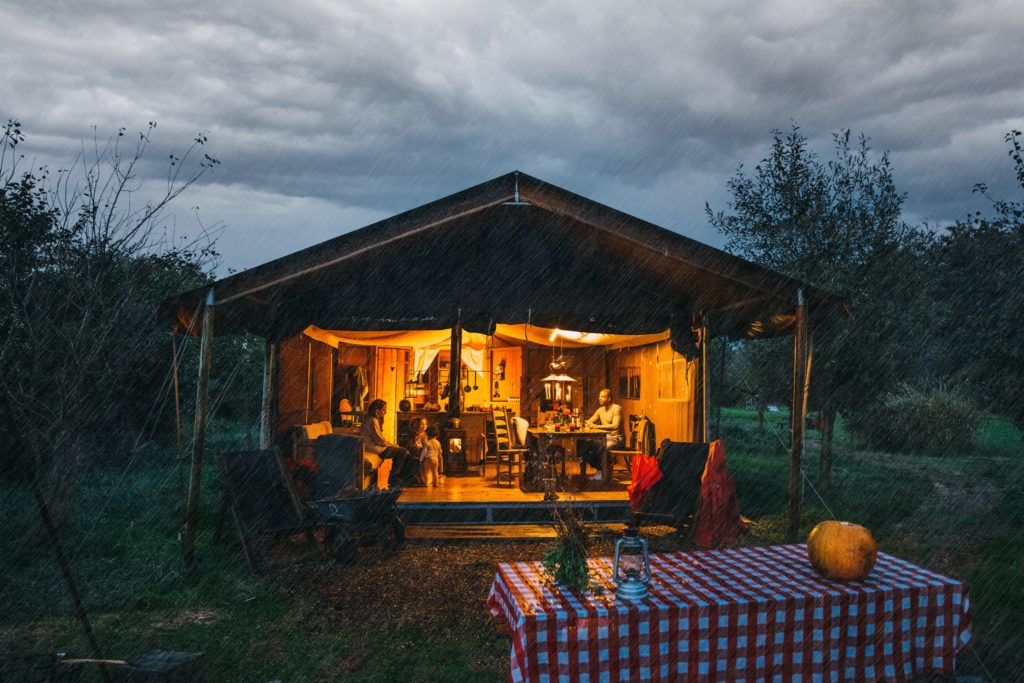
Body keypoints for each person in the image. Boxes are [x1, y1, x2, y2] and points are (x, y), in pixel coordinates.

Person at [361, 399, 420, 487]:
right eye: (384, 409)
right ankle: (394, 477)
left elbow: (379, 440)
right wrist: (393, 445)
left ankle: (403, 478)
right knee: (402, 452)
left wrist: (393, 445)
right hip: (373, 448)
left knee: (405, 453)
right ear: (377, 411)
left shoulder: (373, 420)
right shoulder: (372, 421)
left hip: (376, 447)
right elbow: (379, 441)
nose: (386, 412)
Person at [579, 388, 625, 483]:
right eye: (599, 396)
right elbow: (590, 421)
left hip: (617, 438)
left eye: (603, 397)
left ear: (609, 398)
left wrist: (596, 426)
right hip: (605, 438)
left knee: (603, 449)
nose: (600, 398)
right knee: (585, 446)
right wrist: (587, 423)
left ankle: (604, 475)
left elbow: (615, 426)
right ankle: (601, 470)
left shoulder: (617, 409)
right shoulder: (600, 410)